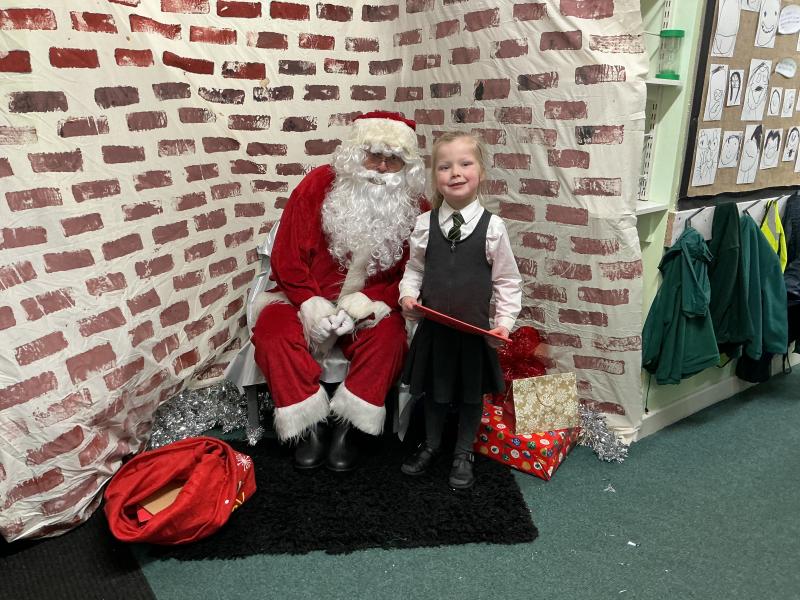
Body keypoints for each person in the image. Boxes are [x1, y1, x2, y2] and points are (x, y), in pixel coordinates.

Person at [251, 111, 427, 471]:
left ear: (406, 166)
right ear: (356, 153)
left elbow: (413, 272)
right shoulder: (317, 184)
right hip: (301, 295)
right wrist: (310, 303)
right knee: (272, 335)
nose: (381, 167)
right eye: (373, 154)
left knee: (390, 341)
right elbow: (286, 256)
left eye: (393, 159)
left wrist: (369, 304)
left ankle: (347, 427)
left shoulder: (416, 206)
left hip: (371, 304)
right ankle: (309, 425)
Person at [397, 131, 522, 490]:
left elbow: (507, 281)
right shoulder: (425, 224)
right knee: (434, 391)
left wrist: (504, 323)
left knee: (469, 396)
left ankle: (463, 452)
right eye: (444, 166)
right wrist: (408, 295)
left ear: (481, 172)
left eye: (465, 164)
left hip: (473, 334)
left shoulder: (493, 228)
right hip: (435, 330)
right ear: (434, 175)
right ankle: (431, 444)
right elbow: (414, 270)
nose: (455, 172)